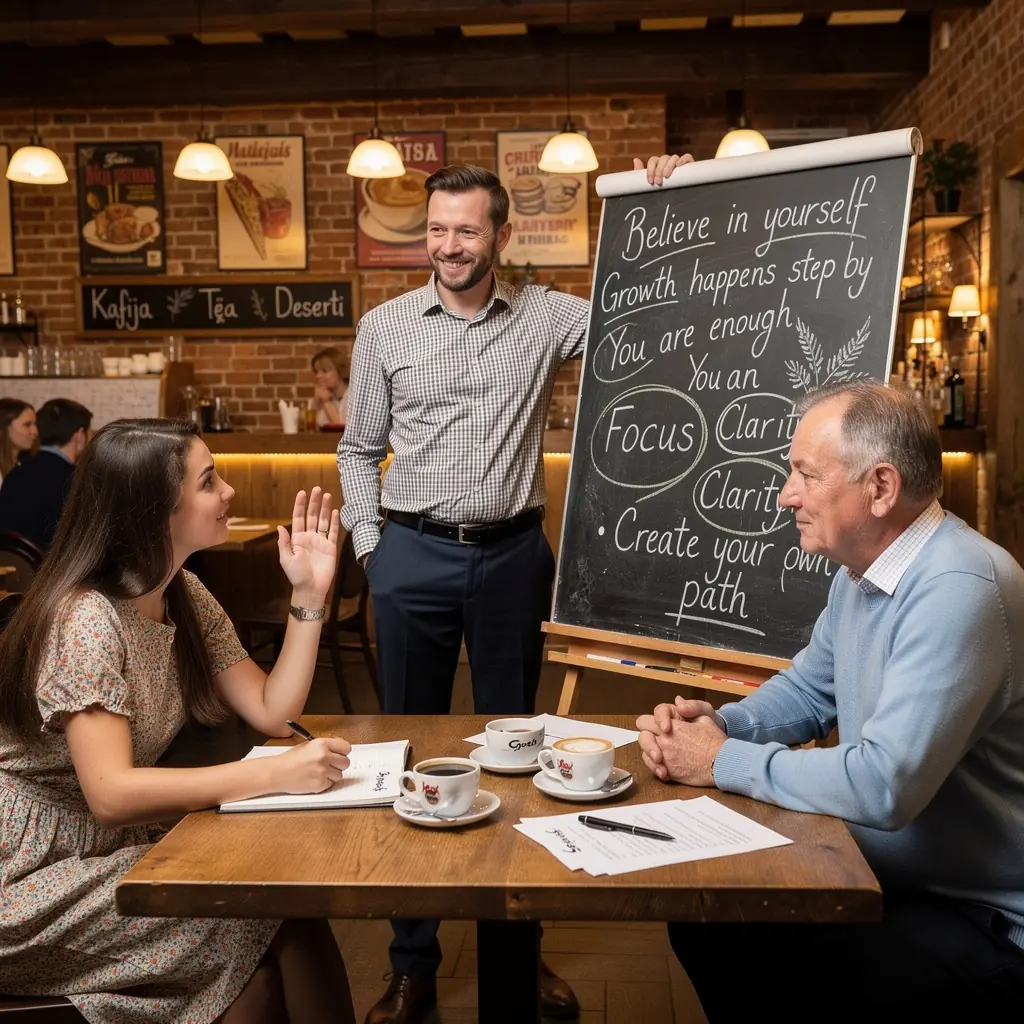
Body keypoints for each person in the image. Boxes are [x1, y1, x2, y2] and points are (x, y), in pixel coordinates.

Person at [338, 153, 691, 1024]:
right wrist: (375, 548)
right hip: (410, 556)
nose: (449, 246)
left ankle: (517, 956)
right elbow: (355, 450)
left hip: (509, 562)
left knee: (520, 757)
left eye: (466, 229)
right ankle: (412, 964)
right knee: (410, 756)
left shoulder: (545, 317)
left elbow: (644, 310)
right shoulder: (385, 327)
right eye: (437, 230)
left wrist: (667, 200)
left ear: (500, 234)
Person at [636, 380, 1024, 1018]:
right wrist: (718, 723)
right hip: (894, 878)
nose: (787, 495)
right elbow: (809, 690)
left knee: (782, 962)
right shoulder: (863, 573)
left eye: (805, 475)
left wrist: (717, 761)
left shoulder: (960, 588)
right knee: (706, 916)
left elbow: (881, 784)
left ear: (880, 488)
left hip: (982, 920)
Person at [0, 418, 356, 1024]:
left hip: (102, 847)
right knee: (255, 916)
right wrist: (273, 776)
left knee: (281, 905)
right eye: (209, 481)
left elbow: (274, 710)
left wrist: (310, 594)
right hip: (29, 875)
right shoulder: (86, 618)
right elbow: (111, 794)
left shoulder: (181, 593)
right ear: (154, 510)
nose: (229, 494)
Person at [0, 397, 91, 550]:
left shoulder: (15, 474)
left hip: (14, 566)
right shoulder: (77, 480)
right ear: (80, 435)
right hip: (54, 569)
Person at [0, 397, 37, 484]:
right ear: (5, 426)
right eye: (27, 425)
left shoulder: (25, 467)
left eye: (35, 424)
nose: (35, 431)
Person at [312, 345, 350, 427]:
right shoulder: (322, 393)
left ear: (340, 371)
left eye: (324, 371)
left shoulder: (353, 396)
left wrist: (327, 402)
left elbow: (342, 428)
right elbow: (312, 426)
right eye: (316, 371)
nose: (318, 376)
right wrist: (316, 402)